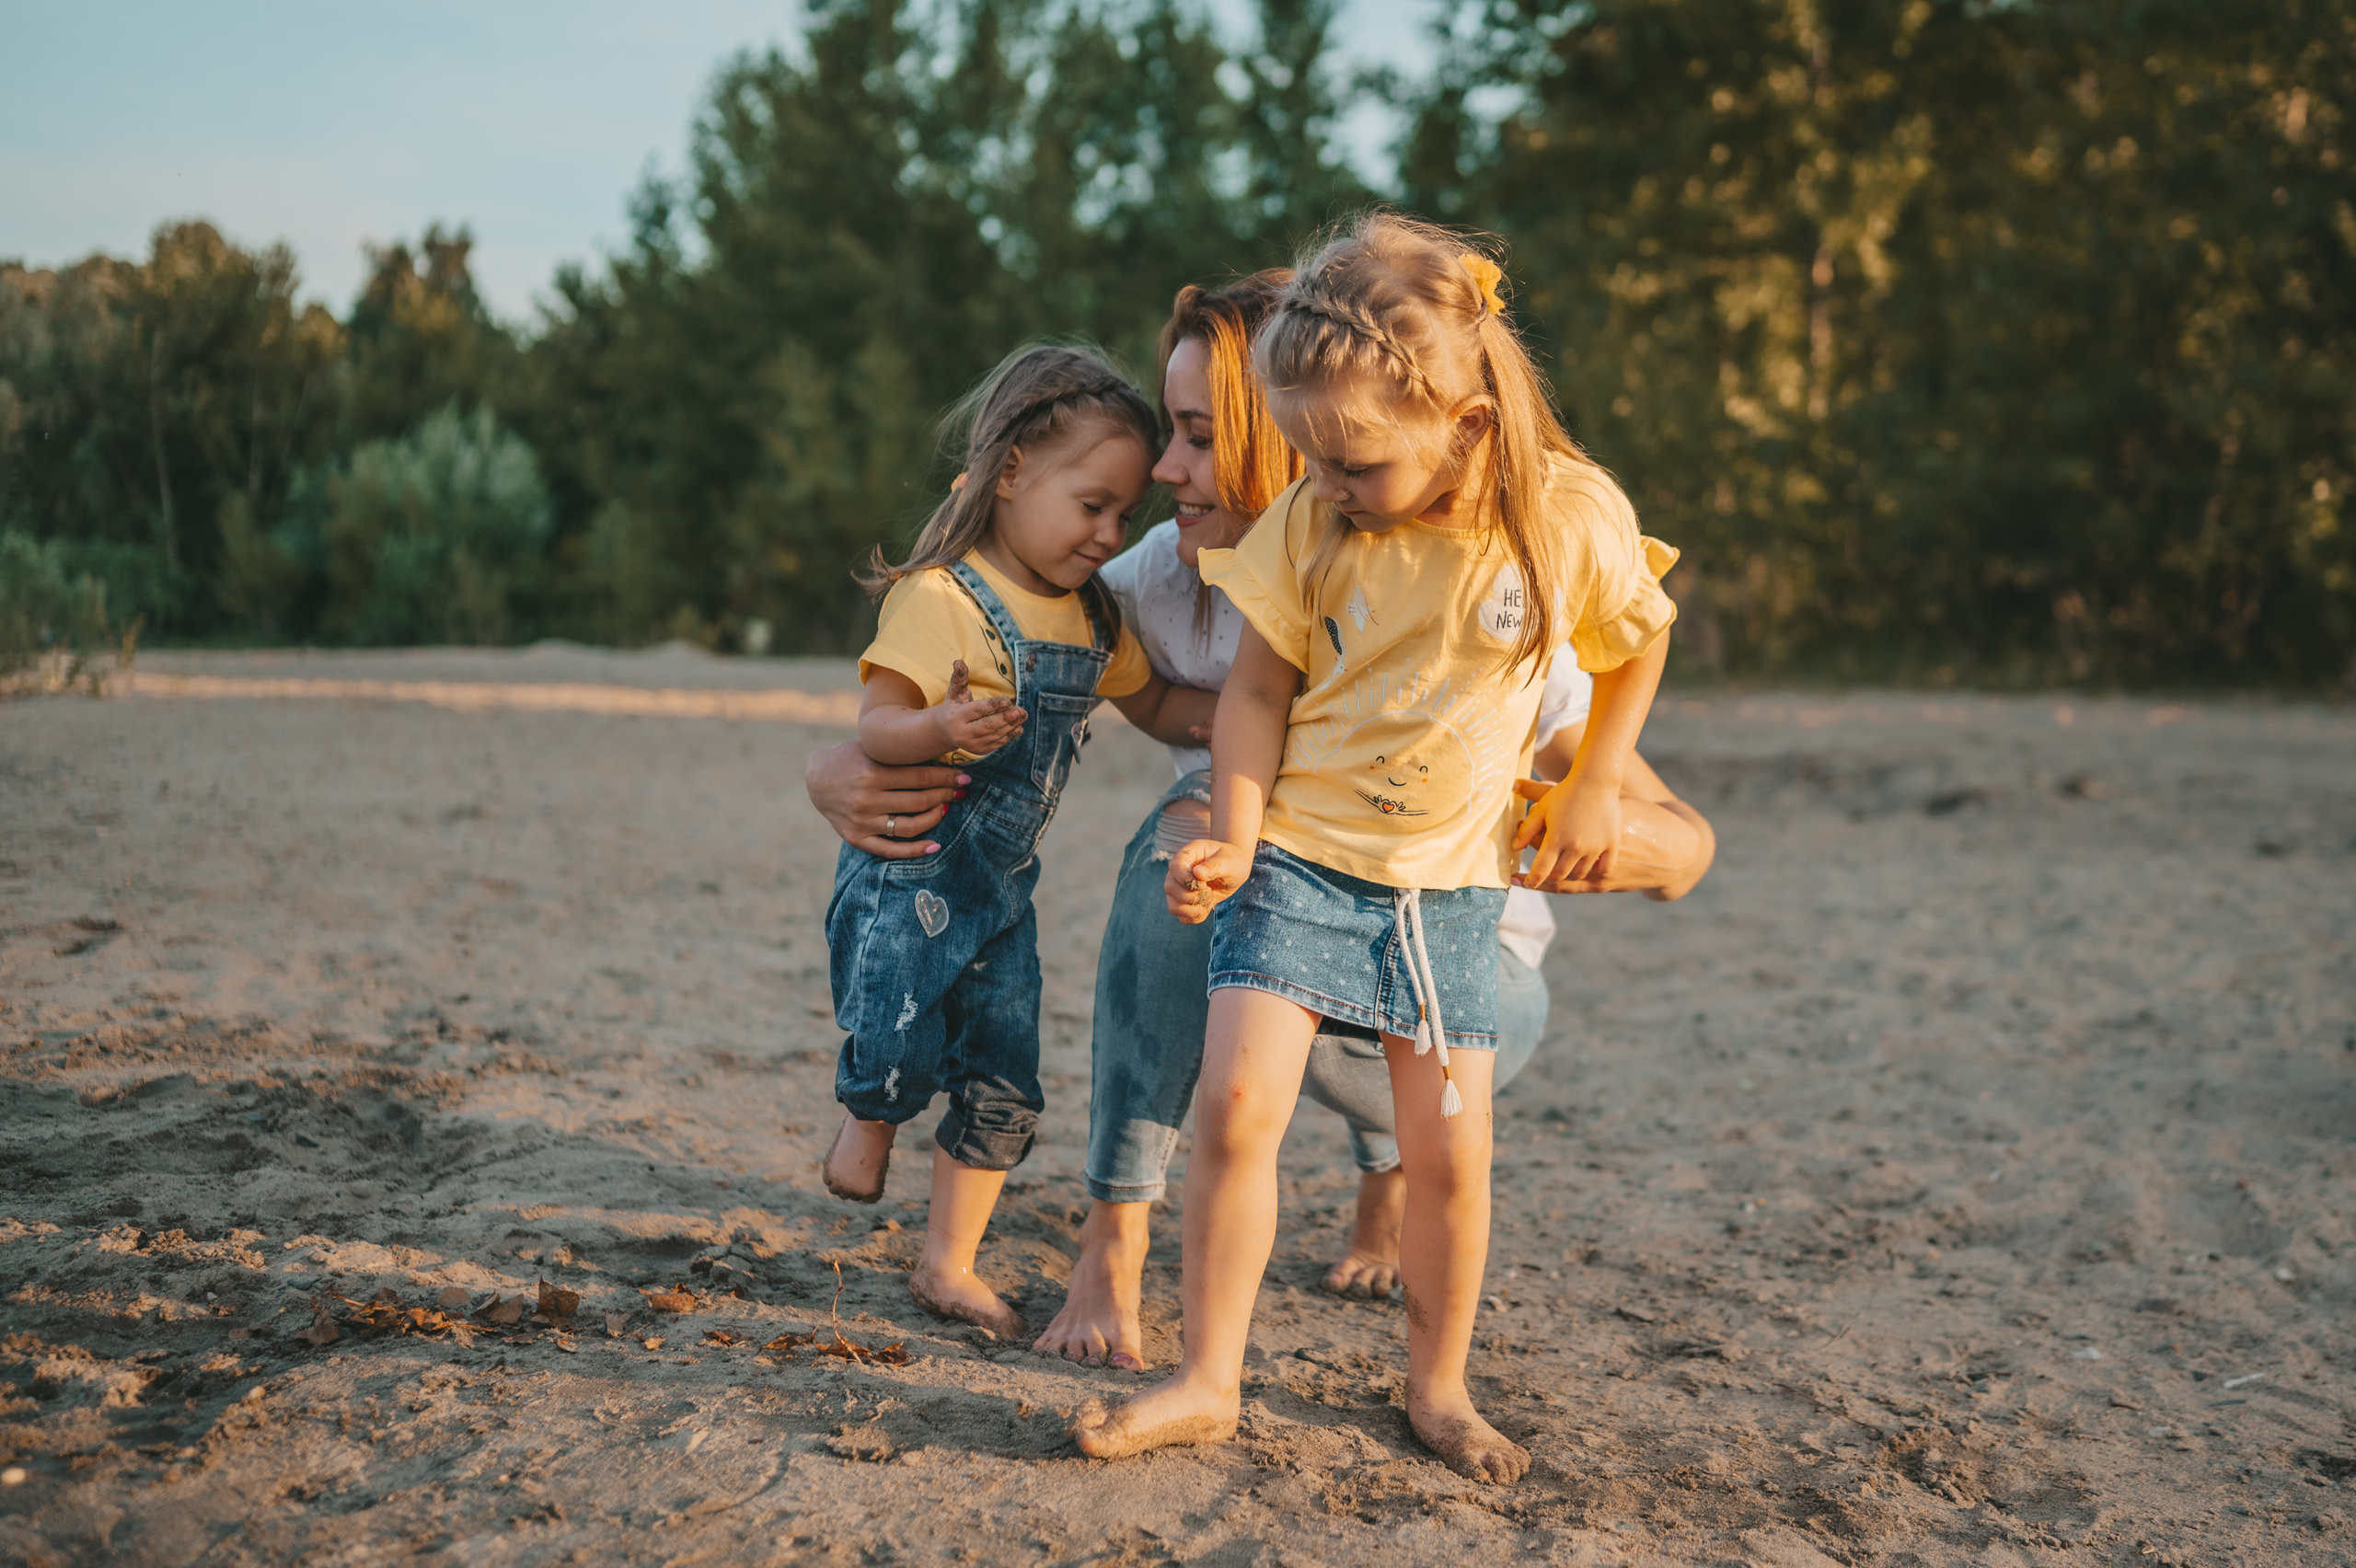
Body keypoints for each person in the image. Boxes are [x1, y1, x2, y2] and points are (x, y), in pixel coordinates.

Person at [1069, 213, 1681, 1485]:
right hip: (1298, 862)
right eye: (1308, 459)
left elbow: (1638, 636)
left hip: (1451, 897)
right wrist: (1235, 835)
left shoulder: (1562, 520)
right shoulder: (1310, 523)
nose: (1326, 487)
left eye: (1352, 462)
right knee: (1239, 1114)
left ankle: (1440, 1388)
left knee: (1452, 1157)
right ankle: (1207, 1377)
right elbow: (1251, 694)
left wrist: (1598, 789)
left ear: (1462, 422)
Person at [819, 344, 1217, 1340]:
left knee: (1005, 1076)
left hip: (1003, 891)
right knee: (899, 1028)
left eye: (1125, 516)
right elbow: (875, 725)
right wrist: (937, 730)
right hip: (910, 871)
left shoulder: (1091, 616)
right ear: (1010, 476)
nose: (1108, 534)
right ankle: (868, 1118)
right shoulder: (943, 597)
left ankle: (945, 1263)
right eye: (1091, 506)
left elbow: (1157, 701)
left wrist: (1227, 718)